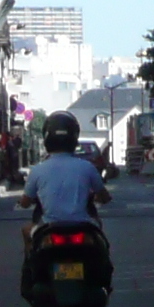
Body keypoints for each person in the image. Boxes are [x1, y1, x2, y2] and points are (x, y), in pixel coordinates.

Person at [20, 113, 110, 293]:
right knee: (101, 240)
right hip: (84, 225)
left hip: (48, 227)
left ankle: (30, 270)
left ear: (46, 138)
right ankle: (105, 276)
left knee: (26, 232)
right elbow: (104, 196)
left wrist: (25, 200)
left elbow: (25, 202)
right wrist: (98, 197)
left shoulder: (37, 170)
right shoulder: (87, 167)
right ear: (74, 138)